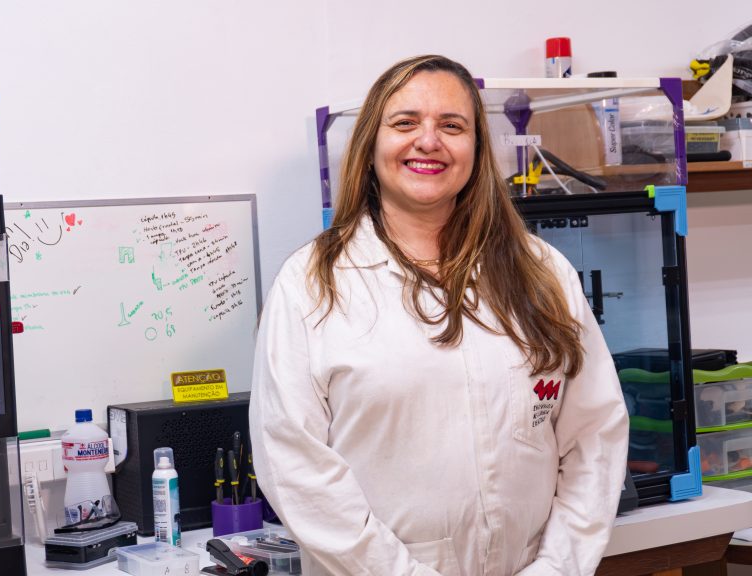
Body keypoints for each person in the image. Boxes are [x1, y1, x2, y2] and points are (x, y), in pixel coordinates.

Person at [249, 54, 629, 576]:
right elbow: (295, 466)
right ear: (370, 145)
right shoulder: (312, 283)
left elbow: (595, 436)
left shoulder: (542, 272)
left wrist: (557, 567)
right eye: (405, 123)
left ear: (477, 149)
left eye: (452, 126)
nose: (429, 141)